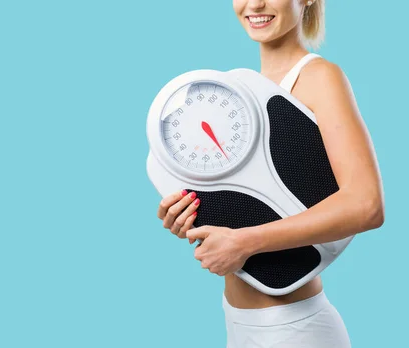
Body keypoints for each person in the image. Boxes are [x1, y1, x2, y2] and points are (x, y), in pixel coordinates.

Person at [156, 0, 385, 347]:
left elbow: (366, 205)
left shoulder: (318, 77)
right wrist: (188, 217)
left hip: (295, 330)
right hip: (238, 322)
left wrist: (243, 243)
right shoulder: (242, 93)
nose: (255, 4)